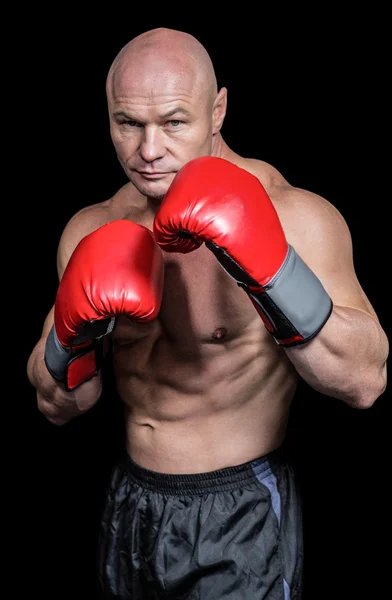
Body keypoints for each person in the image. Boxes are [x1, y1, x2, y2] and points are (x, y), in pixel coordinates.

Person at [27, 26, 389, 600]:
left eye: (173, 122)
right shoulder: (92, 228)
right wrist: (70, 338)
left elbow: (365, 380)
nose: (148, 151)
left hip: (239, 511)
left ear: (217, 109)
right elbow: (56, 404)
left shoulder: (291, 215)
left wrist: (273, 271)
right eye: (128, 124)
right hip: (130, 505)